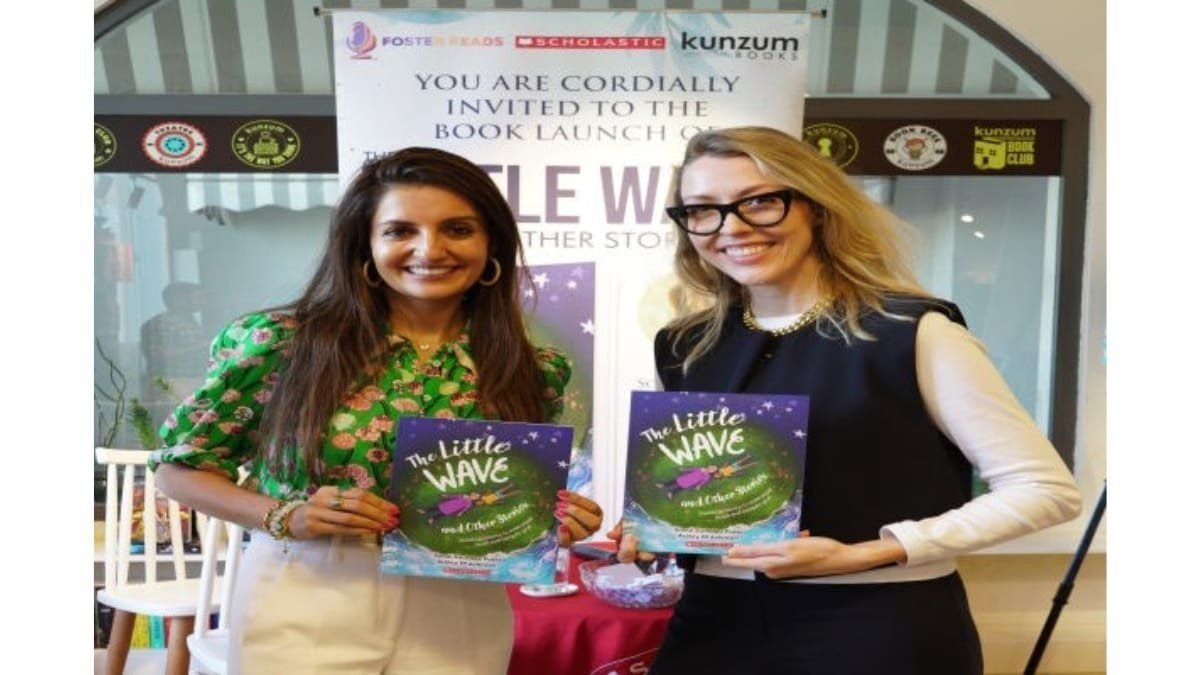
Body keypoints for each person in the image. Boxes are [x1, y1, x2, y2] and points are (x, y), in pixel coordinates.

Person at [609, 126, 1082, 675]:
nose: (731, 227)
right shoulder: (684, 345)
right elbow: (705, 487)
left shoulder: (912, 332)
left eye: (759, 201)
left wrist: (866, 553)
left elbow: (1045, 491)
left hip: (877, 625)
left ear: (815, 207)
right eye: (702, 210)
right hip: (713, 624)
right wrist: (654, 527)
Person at [150, 147, 603, 674]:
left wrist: (551, 519)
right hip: (309, 592)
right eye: (400, 230)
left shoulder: (532, 367)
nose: (429, 249)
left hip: (462, 604)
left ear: (492, 244)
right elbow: (179, 470)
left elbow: (503, 494)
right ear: (364, 244)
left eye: (458, 229)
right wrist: (285, 515)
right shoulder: (283, 343)